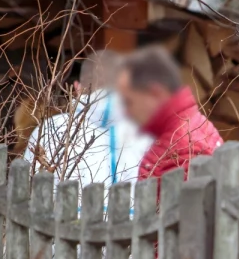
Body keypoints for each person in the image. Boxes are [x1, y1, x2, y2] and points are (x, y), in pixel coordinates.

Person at [22, 50, 151, 195]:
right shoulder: (146, 134)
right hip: (132, 217)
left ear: (76, 87)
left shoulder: (49, 129)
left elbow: (29, 189)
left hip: (62, 216)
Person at [117, 45, 223, 184]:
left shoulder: (185, 149)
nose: (126, 112)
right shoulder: (181, 130)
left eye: (129, 102)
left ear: (154, 93)